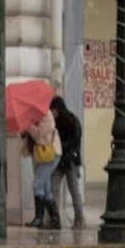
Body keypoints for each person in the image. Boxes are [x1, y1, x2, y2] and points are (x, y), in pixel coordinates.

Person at [49, 96, 85, 229]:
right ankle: (56, 219)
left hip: (68, 160)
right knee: (56, 190)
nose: (51, 112)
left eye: (52, 109)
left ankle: (78, 219)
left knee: (70, 190)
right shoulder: (58, 122)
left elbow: (75, 140)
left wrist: (60, 146)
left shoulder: (70, 120)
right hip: (62, 160)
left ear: (57, 109)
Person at [23, 110, 62, 229]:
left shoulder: (46, 115)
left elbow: (38, 133)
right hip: (39, 154)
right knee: (46, 189)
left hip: (51, 154)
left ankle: (39, 218)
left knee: (37, 185)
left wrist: (27, 125)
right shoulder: (31, 115)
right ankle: (55, 220)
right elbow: (27, 134)